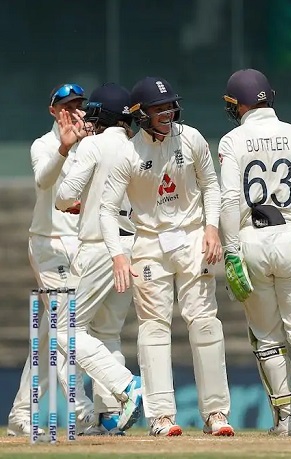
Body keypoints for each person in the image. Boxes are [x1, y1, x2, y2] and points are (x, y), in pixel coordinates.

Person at [99, 76, 233, 437]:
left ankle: (216, 413)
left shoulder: (191, 139)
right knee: (154, 328)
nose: (168, 112)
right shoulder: (128, 153)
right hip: (148, 244)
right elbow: (106, 210)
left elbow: (211, 185)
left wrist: (211, 228)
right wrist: (118, 256)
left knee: (205, 322)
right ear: (141, 115)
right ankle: (161, 417)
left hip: (192, 238)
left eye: (170, 105)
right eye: (159, 108)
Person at [218, 69, 291, 436]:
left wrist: (231, 251)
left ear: (239, 104)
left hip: (250, 239)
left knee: (266, 337)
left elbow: (231, 200)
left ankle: (285, 418)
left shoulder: (232, 140)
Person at [7, 83, 96, 436]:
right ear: (53, 111)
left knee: (49, 335)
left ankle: (20, 414)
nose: (72, 111)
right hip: (47, 246)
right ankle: (81, 407)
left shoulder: (90, 146)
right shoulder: (43, 146)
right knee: (67, 325)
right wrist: (64, 146)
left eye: (78, 105)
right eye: (65, 106)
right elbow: (45, 181)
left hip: (79, 246)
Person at [55, 83, 140, 435]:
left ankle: (126, 387)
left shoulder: (91, 145)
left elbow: (64, 195)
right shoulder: (138, 149)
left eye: (94, 113)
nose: (89, 120)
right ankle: (109, 417)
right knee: (107, 333)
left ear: (103, 116)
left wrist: (71, 203)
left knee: (66, 331)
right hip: (130, 249)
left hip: (98, 249)